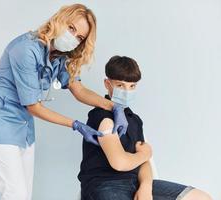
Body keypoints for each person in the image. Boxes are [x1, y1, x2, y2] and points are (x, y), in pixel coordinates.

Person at [0, 4, 128, 200]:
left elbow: (77, 89)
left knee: (24, 194)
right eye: (71, 28)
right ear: (60, 20)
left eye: (80, 37)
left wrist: (114, 106)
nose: (73, 38)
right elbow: (33, 106)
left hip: (23, 126)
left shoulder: (60, 56)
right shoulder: (25, 49)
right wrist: (75, 124)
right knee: (15, 195)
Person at [78, 56, 212, 200]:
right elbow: (119, 163)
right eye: (120, 85)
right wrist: (145, 153)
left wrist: (146, 188)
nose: (126, 91)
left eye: (132, 86)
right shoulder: (103, 117)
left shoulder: (135, 120)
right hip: (105, 184)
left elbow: (144, 164)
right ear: (107, 84)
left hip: (135, 183)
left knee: (201, 197)